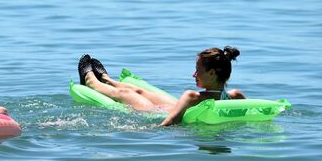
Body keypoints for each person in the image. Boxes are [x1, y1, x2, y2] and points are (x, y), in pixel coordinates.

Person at [78, 47, 246, 126]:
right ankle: (107, 78)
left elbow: (169, 123)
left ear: (211, 73)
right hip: (172, 106)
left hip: (154, 112)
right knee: (140, 90)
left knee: (123, 93)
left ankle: (91, 80)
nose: (194, 75)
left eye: (197, 71)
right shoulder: (235, 96)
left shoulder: (192, 97)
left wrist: (143, 130)